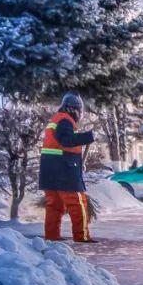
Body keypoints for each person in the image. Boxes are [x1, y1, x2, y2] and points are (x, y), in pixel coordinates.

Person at [38, 91, 98, 243]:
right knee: (78, 204)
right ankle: (81, 236)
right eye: (79, 110)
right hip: (64, 172)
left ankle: (52, 236)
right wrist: (88, 137)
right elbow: (66, 140)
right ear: (73, 109)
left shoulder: (57, 119)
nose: (80, 114)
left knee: (54, 205)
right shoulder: (65, 120)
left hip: (50, 171)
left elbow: (59, 145)